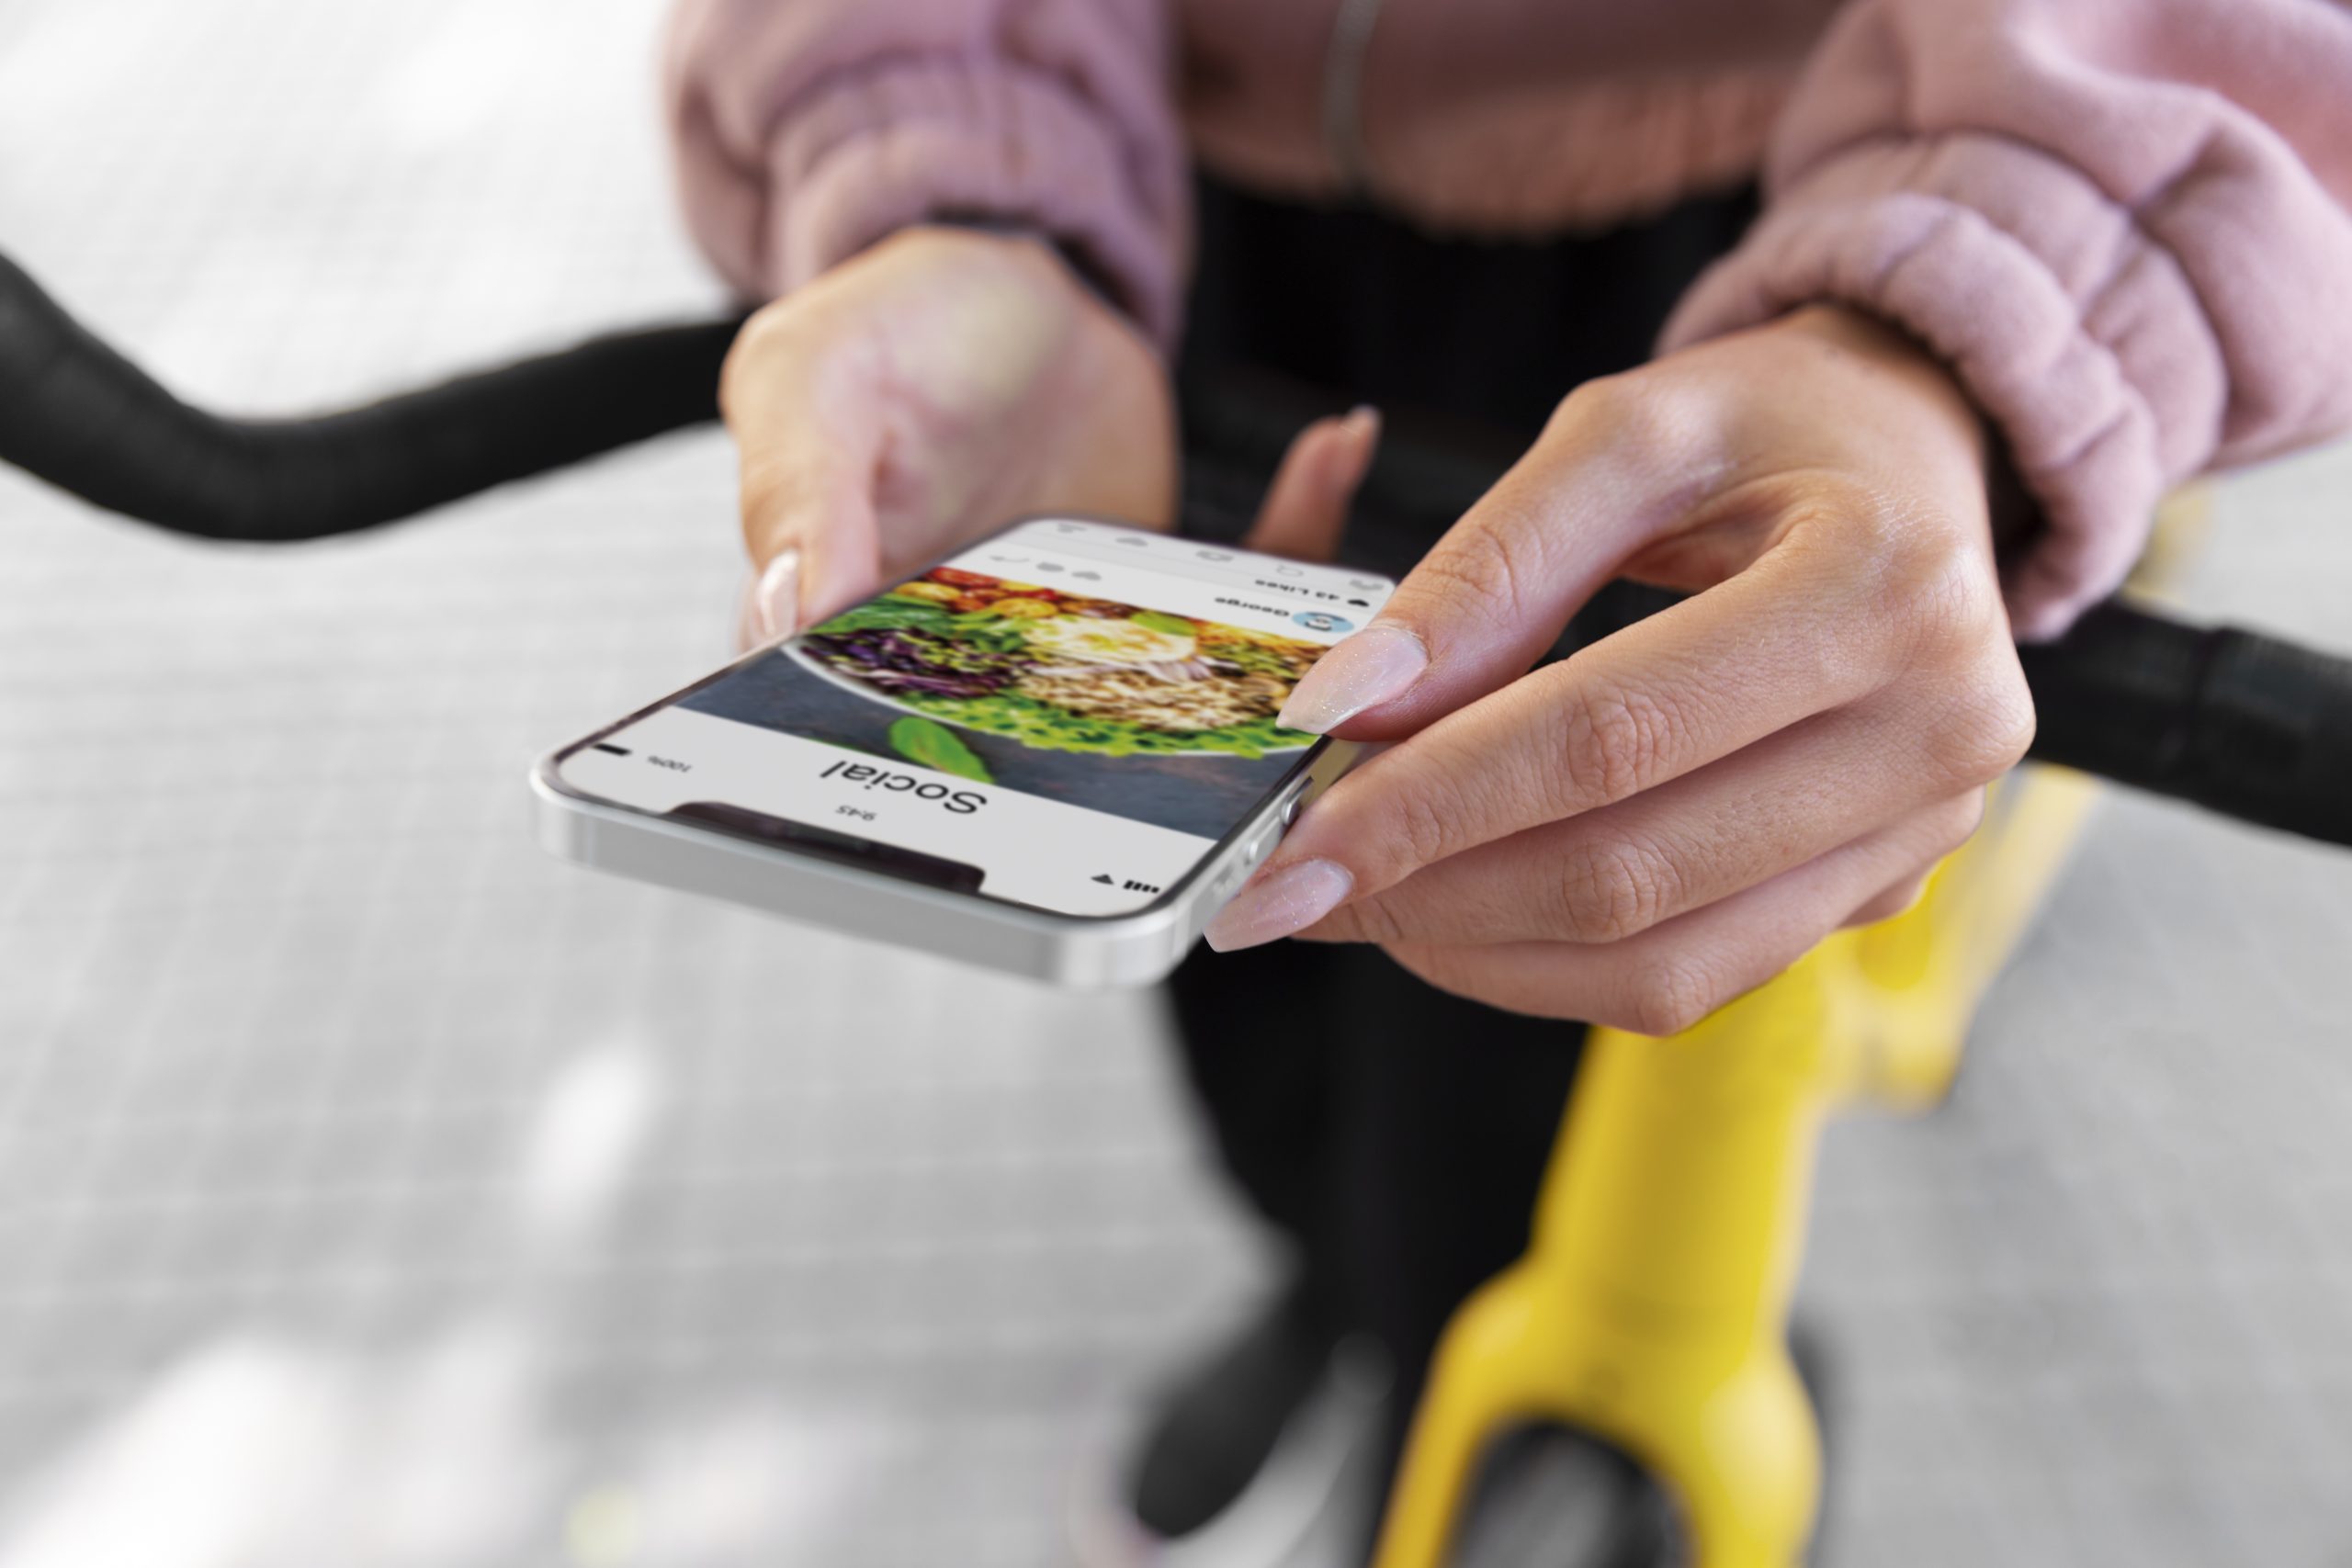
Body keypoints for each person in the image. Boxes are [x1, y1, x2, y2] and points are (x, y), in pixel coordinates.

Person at [663, 0, 2352, 1555]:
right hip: (1162, 193)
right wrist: (950, 149)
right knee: (1226, 944)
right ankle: (1330, 1279)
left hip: (1761, 258)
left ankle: (1425, 1336)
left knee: (1515, 1045)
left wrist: (1976, 292)